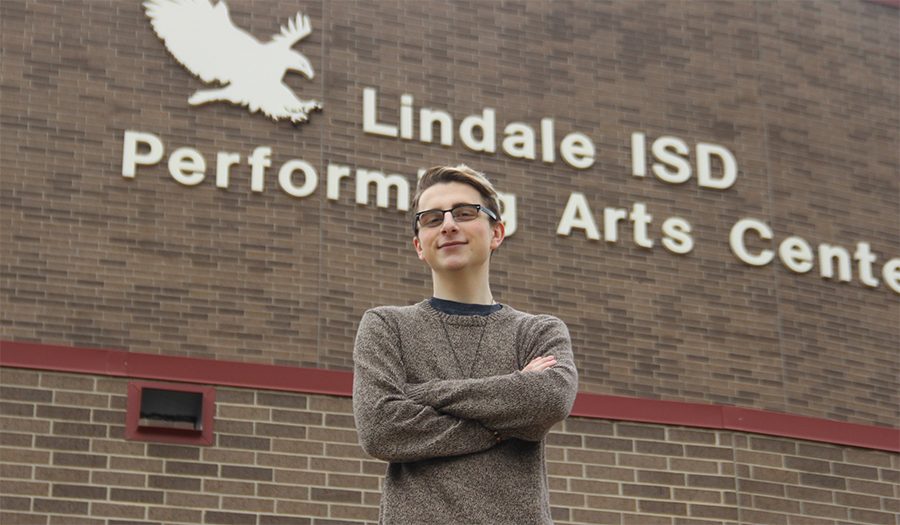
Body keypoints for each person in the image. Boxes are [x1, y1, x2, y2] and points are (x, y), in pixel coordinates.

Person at [352, 164, 579, 525]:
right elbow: (380, 429)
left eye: (464, 212)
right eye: (431, 219)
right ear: (419, 246)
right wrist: (503, 423)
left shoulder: (537, 331)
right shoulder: (387, 326)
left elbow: (550, 398)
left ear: (496, 232)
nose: (448, 225)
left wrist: (422, 393)